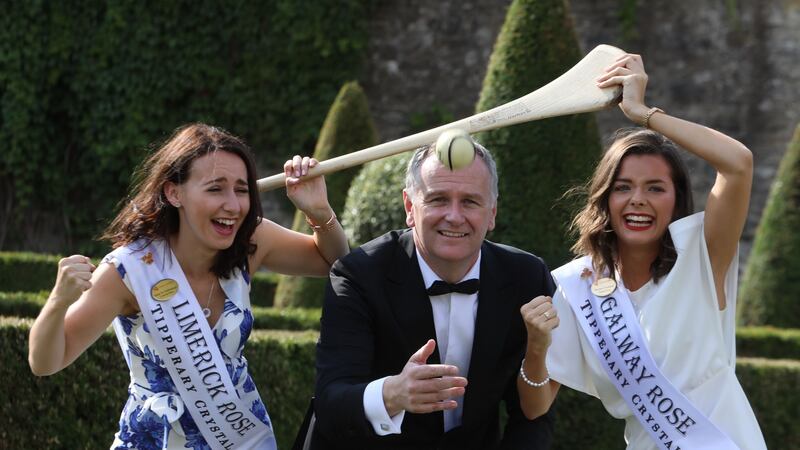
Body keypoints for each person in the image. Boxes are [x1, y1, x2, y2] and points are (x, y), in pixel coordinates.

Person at [28, 123, 349, 449]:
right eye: (215, 188)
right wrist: (58, 301)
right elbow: (46, 362)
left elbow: (334, 263)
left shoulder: (251, 239)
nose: (233, 205)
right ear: (173, 192)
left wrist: (319, 212)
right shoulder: (130, 270)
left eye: (241, 189)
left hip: (238, 438)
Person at [518, 54, 767, 449]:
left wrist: (642, 113)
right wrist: (536, 345)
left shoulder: (702, 256)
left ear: (675, 200)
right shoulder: (576, 285)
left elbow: (738, 163)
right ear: (605, 199)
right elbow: (535, 406)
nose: (638, 200)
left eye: (655, 188)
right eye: (623, 187)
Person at [312, 141, 555, 449]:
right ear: (410, 208)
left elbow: (533, 415)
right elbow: (331, 402)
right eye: (438, 199)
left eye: (470, 202)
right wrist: (392, 393)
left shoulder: (527, 276)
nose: (454, 216)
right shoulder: (359, 274)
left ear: (491, 213)